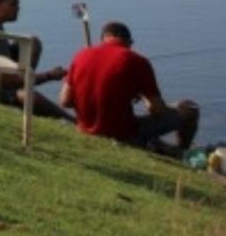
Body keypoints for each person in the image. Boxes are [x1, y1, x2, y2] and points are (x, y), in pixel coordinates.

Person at [60, 21, 199, 154]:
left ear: (103, 38)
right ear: (129, 42)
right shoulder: (138, 61)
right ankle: (181, 151)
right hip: (123, 134)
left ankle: (158, 146)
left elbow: (64, 101)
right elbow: (157, 109)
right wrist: (144, 97)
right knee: (190, 109)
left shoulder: (80, 55)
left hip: (85, 129)